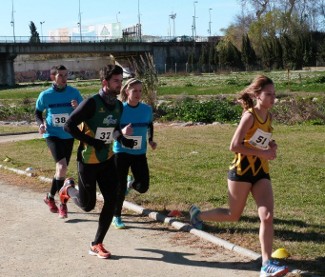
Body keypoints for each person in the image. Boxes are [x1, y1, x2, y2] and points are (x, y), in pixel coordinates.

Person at [189, 75, 289, 277]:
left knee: (267, 216)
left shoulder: (268, 116)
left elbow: (260, 140)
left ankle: (266, 264)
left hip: (261, 172)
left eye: (274, 95)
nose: (273, 98)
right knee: (233, 215)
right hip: (241, 172)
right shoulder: (249, 116)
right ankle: (197, 215)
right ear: (257, 95)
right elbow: (234, 145)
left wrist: (271, 145)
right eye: (269, 94)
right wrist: (263, 152)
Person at [59, 64, 135, 259]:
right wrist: (93, 142)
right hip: (87, 160)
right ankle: (67, 189)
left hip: (107, 159)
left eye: (121, 80)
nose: (120, 85)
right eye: (116, 81)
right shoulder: (91, 103)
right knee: (87, 205)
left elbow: (113, 128)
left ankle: (97, 243)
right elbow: (69, 126)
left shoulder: (118, 105)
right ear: (105, 83)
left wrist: (122, 138)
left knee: (112, 198)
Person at [35, 65, 83, 217]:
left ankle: (50, 197)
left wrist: (77, 107)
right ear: (53, 77)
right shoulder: (45, 95)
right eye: (60, 75)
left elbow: (83, 112)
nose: (64, 78)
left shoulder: (74, 93)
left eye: (65, 75)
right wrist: (41, 124)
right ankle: (63, 205)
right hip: (52, 134)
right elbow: (37, 112)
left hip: (68, 135)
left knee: (60, 171)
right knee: (62, 167)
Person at [112, 78, 157, 229]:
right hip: (121, 152)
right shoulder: (120, 109)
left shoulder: (146, 109)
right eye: (134, 91)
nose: (138, 94)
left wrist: (150, 140)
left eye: (140, 91)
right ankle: (116, 216)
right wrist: (122, 132)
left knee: (143, 186)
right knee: (118, 186)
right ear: (127, 91)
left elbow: (149, 124)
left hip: (139, 152)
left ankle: (130, 183)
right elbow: (113, 130)